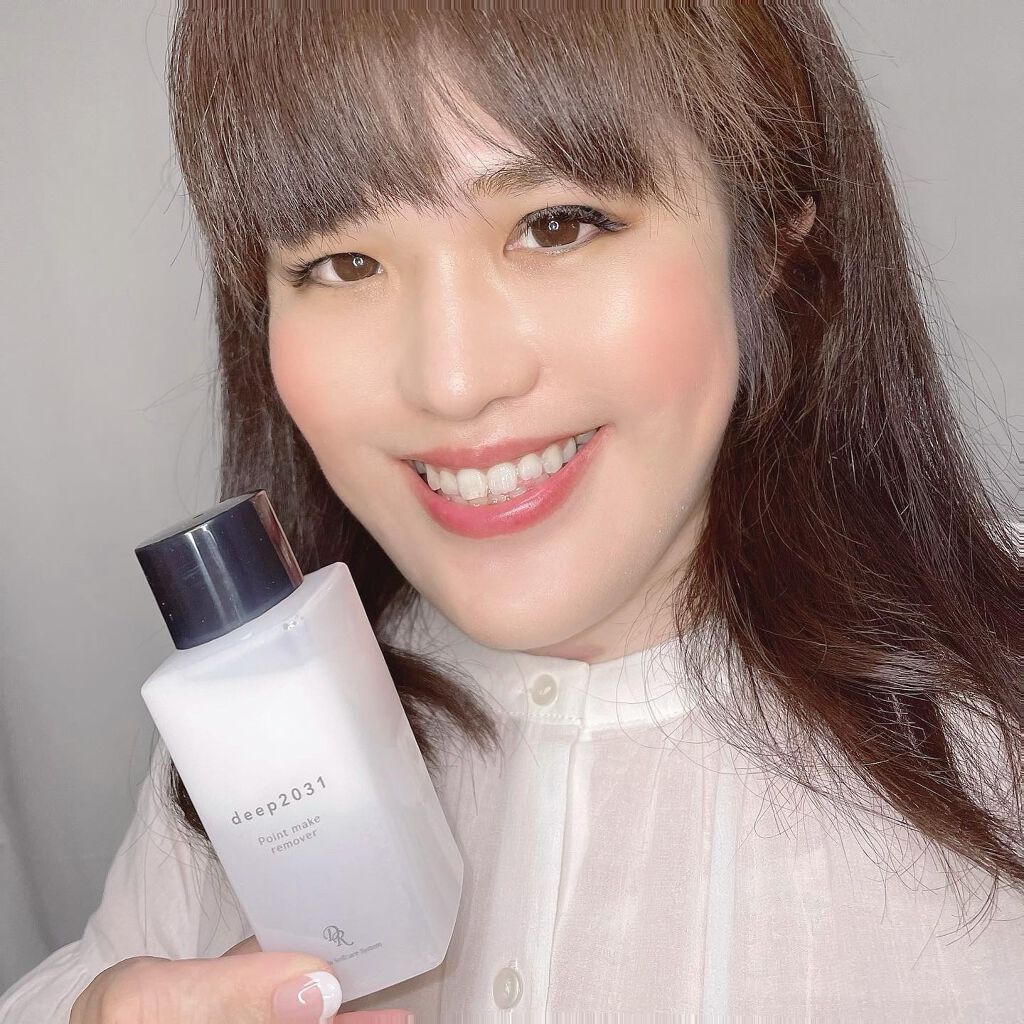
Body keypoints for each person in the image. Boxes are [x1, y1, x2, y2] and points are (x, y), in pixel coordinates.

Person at [2, 3, 1021, 1021]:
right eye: (343, 264)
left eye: (555, 225)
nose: (452, 381)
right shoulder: (258, 733)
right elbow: (102, 972)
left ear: (771, 240)